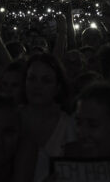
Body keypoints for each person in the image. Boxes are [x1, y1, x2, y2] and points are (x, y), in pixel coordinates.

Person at [20, 53, 75, 182]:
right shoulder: (11, 119)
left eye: (46, 80)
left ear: (58, 87)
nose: (37, 86)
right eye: (32, 78)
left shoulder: (68, 125)